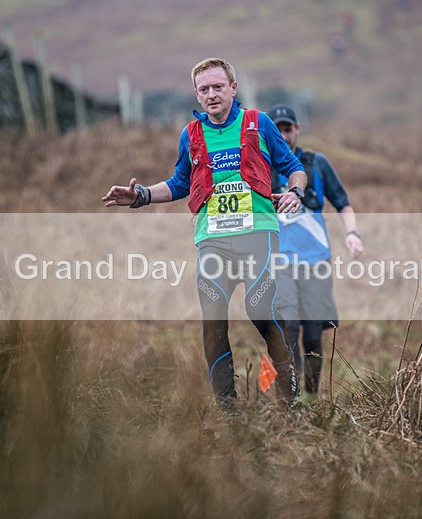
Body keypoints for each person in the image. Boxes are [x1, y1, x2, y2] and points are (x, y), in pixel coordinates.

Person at [102, 58, 308, 407]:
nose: (211, 94)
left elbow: (294, 168)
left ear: (233, 89)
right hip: (211, 240)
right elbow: (180, 182)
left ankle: (290, 400)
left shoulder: (258, 123)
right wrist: (141, 196)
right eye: (204, 89)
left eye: (217, 87)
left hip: (258, 234)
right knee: (213, 322)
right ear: (196, 93)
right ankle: (227, 410)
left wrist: (294, 192)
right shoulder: (191, 134)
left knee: (259, 309)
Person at [267, 103, 363, 400]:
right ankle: (289, 399)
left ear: (297, 129)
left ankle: (311, 396)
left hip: (316, 262)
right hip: (278, 263)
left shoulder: (316, 163)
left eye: (287, 129)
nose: (282, 135)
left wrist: (352, 233)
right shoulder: (259, 167)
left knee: (312, 335)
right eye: (277, 130)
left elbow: (342, 203)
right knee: (288, 328)